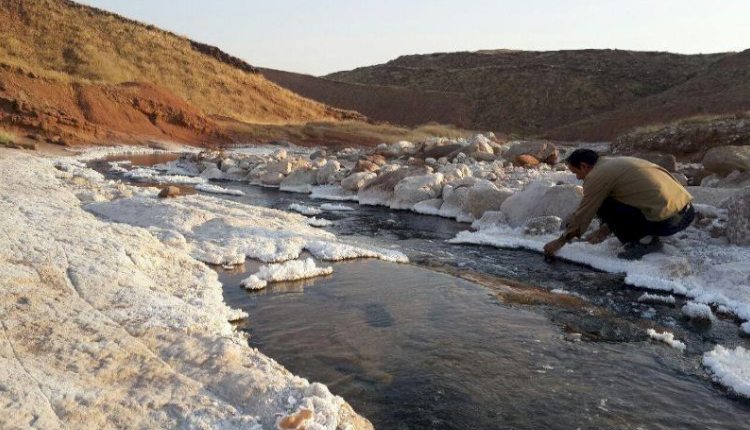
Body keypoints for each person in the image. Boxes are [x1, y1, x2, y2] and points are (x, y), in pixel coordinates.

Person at [543, 149, 695, 260]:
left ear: (583, 166)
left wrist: (559, 242)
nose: (577, 178)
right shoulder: (614, 163)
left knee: (603, 203)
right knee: (611, 199)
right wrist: (605, 229)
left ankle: (646, 242)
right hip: (687, 212)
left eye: (575, 172)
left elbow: (585, 213)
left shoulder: (596, 176)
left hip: (670, 222)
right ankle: (644, 234)